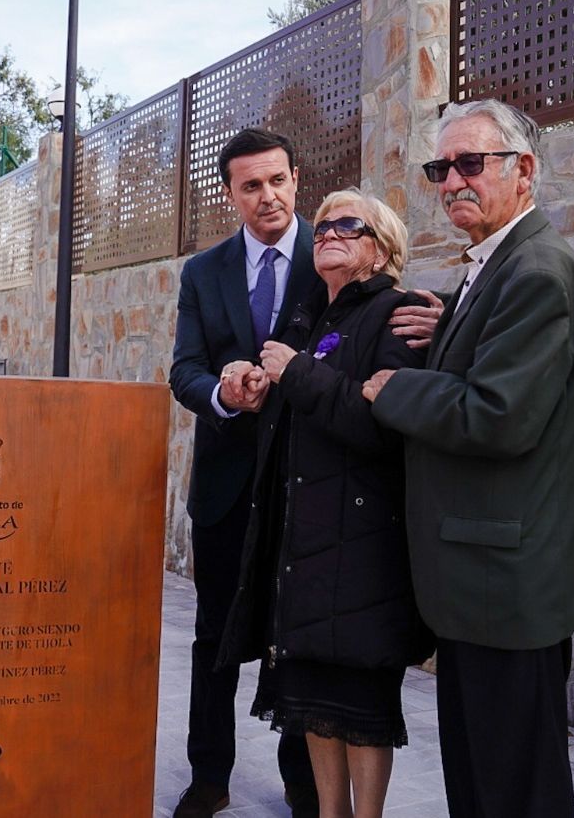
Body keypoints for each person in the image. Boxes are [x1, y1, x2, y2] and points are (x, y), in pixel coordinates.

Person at [361, 99, 574, 818]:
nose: (452, 181)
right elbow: (487, 372)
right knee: (482, 782)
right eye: (441, 168)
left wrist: (395, 388)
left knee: (512, 791)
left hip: (505, 589)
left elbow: (497, 416)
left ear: (523, 170)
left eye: (471, 163)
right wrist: (446, 337)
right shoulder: (495, 266)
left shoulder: (535, 271)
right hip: (480, 587)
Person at [217, 189, 433, 818]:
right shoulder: (311, 317)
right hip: (304, 545)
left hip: (365, 551)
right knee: (311, 704)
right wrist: (253, 382)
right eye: (326, 224)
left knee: (362, 709)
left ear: (381, 248)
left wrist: (297, 376)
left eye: (349, 225)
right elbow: (295, 418)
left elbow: (379, 426)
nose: (330, 232)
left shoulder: (398, 314)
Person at [169, 128, 321, 818]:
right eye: (252, 185)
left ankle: (303, 777)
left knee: (302, 634)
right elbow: (184, 372)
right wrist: (223, 393)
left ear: (297, 179)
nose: (269, 196)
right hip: (226, 489)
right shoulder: (204, 272)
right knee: (215, 639)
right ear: (229, 193)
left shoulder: (334, 253)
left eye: (278, 180)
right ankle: (210, 776)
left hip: (307, 481)